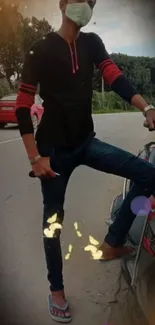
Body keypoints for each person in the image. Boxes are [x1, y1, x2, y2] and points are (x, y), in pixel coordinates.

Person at [15, 0, 155, 322]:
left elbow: (115, 77)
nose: (87, 5)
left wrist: (146, 108)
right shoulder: (41, 49)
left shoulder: (92, 43)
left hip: (86, 143)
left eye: (91, 1)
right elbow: (23, 105)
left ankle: (114, 241)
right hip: (52, 153)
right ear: (63, 4)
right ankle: (56, 290)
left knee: (148, 174)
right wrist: (34, 157)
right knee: (53, 223)